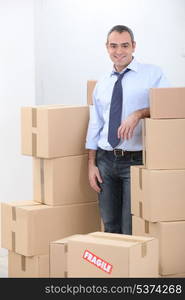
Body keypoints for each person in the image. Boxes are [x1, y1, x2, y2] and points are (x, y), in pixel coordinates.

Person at [85, 25, 170, 234]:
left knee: (130, 227)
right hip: (105, 160)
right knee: (110, 225)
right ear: (107, 47)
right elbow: (95, 124)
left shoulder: (152, 74)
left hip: (136, 161)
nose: (119, 51)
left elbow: (169, 106)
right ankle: (114, 267)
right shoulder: (102, 83)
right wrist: (91, 164)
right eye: (113, 46)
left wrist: (138, 114)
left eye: (124, 45)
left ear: (133, 46)